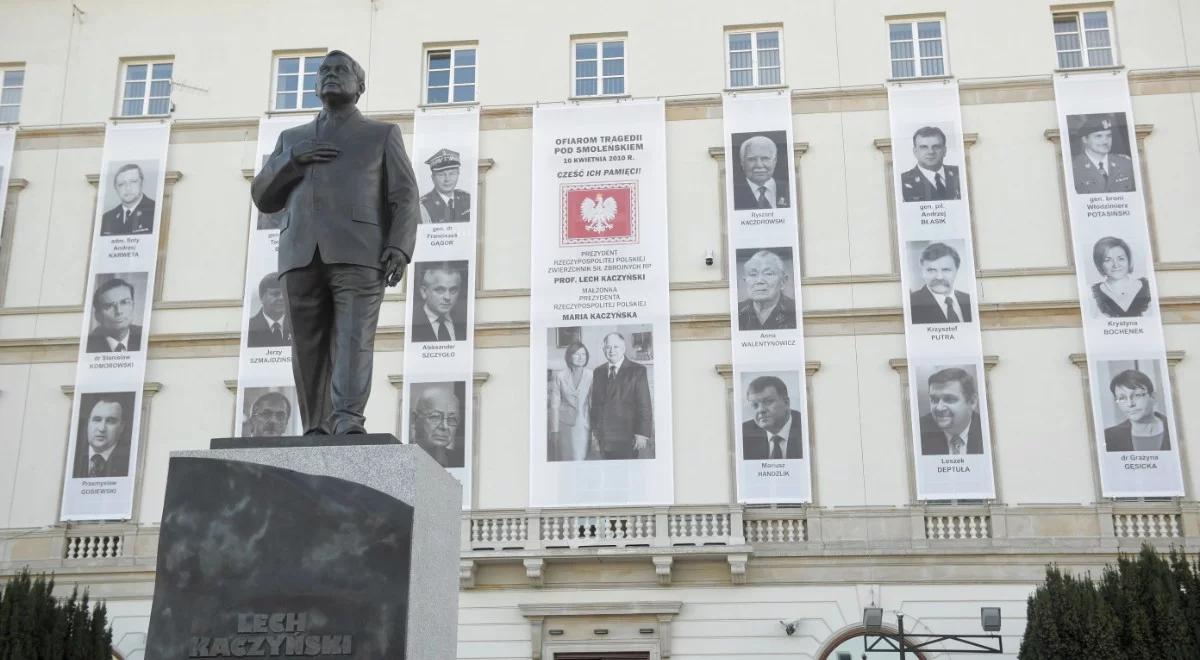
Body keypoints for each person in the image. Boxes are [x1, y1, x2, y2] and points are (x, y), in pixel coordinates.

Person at [251, 50, 419, 435]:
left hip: (361, 252)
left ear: (360, 86)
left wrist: (399, 245)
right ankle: (315, 426)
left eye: (341, 70)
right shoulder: (291, 139)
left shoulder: (381, 134)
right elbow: (263, 196)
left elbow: (406, 196)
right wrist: (292, 160)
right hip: (299, 255)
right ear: (314, 86)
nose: (330, 75)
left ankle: (347, 420)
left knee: (353, 338)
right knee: (306, 345)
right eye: (323, 71)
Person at [589, 332, 653, 460]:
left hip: (627, 436)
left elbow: (644, 404)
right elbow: (595, 405)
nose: (611, 351)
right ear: (603, 349)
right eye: (608, 347)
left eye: (615, 347)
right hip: (605, 437)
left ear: (623, 348)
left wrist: (642, 434)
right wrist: (595, 433)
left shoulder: (637, 370)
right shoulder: (598, 371)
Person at [919, 367, 984, 455]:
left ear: (972, 401)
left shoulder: (985, 430)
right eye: (934, 400)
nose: (939, 408)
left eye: (949, 399)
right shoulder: (920, 431)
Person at [1104, 369, 1171, 452]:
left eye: (1137, 395)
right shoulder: (1109, 437)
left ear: (1153, 397)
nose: (1130, 404)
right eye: (1122, 398)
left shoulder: (1174, 428)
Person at [741, 376, 803, 460]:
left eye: (768, 402)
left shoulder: (805, 426)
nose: (761, 410)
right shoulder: (743, 433)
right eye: (755, 405)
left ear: (786, 403)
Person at [549, 342, 593, 461]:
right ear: (569, 356)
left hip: (583, 423)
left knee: (580, 458)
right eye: (577, 354)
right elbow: (554, 405)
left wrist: (595, 429)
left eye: (584, 354)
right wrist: (555, 430)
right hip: (565, 424)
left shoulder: (591, 375)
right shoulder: (560, 376)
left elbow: (593, 403)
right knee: (566, 458)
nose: (581, 357)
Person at [910, 242, 972, 324]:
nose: (939, 277)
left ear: (956, 271)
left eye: (946, 270)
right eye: (931, 270)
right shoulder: (911, 302)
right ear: (922, 272)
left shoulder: (968, 299)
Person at [1071, 115, 1135, 194]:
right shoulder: (1073, 168)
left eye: (1109, 136)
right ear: (1085, 140)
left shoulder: (1125, 163)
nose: (1105, 141)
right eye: (1098, 136)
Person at [1090, 236, 1151, 318]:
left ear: (1128, 260)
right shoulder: (1092, 294)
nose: (1116, 265)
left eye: (1121, 259)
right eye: (1108, 260)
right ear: (1100, 264)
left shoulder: (1148, 287)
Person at [72, 395, 132, 478]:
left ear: (121, 427)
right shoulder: (73, 459)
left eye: (110, 421)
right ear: (88, 423)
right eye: (97, 420)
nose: (102, 428)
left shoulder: (130, 462)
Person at [737, 250, 797, 331]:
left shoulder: (795, 309)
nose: (759, 281)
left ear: (783, 281)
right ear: (745, 280)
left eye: (768, 273)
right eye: (753, 274)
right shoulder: (737, 311)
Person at [900, 126, 961, 202]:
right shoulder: (903, 181)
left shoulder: (959, 173)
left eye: (936, 147)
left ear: (944, 151)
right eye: (924, 147)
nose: (931, 152)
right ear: (915, 151)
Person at [409, 263, 466, 342]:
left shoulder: (464, 323)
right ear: (423, 292)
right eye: (440, 290)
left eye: (453, 290)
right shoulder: (412, 322)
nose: (447, 297)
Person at [411, 385, 465, 468]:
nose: (444, 426)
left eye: (452, 419)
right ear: (415, 419)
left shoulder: (460, 462)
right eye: (435, 417)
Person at [85, 278, 143, 353]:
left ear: (133, 306)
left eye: (124, 302)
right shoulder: (88, 346)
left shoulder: (144, 335)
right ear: (98, 316)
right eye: (109, 306)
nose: (118, 311)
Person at [732, 135, 789, 210]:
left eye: (765, 158)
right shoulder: (732, 195)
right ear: (742, 163)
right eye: (752, 159)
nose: (759, 165)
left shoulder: (789, 190)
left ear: (775, 161)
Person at [100, 164, 156, 236]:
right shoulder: (107, 218)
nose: (128, 188)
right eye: (121, 184)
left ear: (142, 183)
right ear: (116, 188)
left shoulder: (155, 211)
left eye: (133, 182)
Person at [419, 148, 471, 223]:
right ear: (433, 177)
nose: (447, 179)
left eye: (452, 173)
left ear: (458, 174)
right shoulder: (424, 207)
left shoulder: (467, 198)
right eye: (441, 175)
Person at [246, 272, 292, 347]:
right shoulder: (250, 327)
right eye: (275, 294)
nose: (282, 298)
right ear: (261, 297)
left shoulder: (297, 325)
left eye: (285, 293)